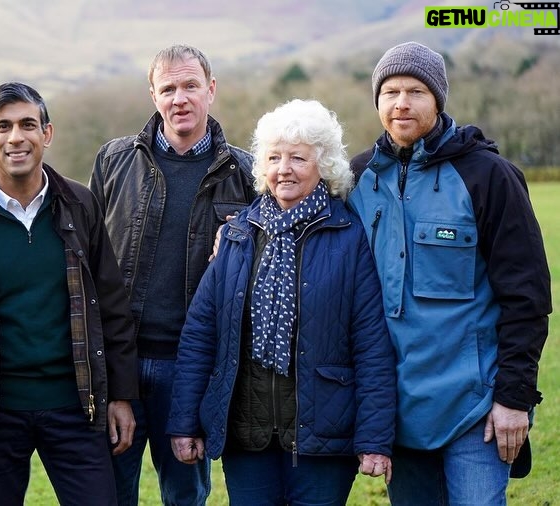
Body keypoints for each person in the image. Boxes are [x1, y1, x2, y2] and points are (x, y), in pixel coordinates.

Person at [348, 41, 552, 505]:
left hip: (475, 409)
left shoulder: (489, 176)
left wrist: (514, 398)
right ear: (377, 101)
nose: (402, 103)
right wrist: (232, 233)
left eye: (416, 91)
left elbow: (528, 298)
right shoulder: (357, 179)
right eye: (391, 91)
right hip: (396, 411)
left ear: (438, 99)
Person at [0, 82, 138, 505]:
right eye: (3, 126)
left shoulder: (80, 204)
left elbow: (111, 306)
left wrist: (122, 395)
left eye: (27, 125)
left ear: (46, 134)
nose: (16, 137)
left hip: (76, 406)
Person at [167, 98, 396, 505]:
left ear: (322, 166)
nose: (283, 169)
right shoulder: (238, 235)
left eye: (298, 158)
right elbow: (201, 334)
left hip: (322, 436)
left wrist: (375, 437)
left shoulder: (349, 236)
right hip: (246, 435)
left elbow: (371, 344)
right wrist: (184, 422)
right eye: (274, 157)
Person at [89, 44, 256, 505]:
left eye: (190, 86)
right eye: (168, 88)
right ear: (153, 95)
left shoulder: (246, 173)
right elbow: (86, 259)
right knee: (108, 491)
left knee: (185, 494)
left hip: (191, 366)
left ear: (211, 90)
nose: (179, 98)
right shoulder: (114, 160)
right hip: (120, 360)